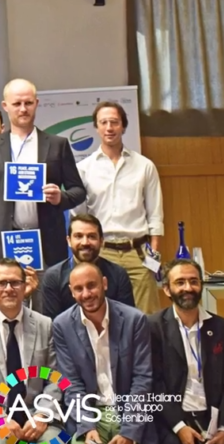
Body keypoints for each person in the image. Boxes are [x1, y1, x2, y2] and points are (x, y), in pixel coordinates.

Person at [0, 78, 86, 267]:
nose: (23, 109)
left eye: (28, 103)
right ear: (5, 106)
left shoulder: (57, 145)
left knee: (47, 286)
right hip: (3, 239)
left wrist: (60, 198)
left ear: (36, 103)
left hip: (47, 238)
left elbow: (79, 191)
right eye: (17, 104)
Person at [0, 259, 65, 444]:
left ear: (25, 286)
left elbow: (56, 378)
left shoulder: (45, 324)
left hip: (37, 414)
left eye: (15, 282)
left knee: (57, 442)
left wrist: (42, 414)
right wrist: (0, 418)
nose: (9, 289)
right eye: (1, 283)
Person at [75, 101, 165, 315]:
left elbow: (155, 215)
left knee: (147, 316)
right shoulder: (84, 168)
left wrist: (154, 254)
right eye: (103, 122)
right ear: (96, 127)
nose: (109, 128)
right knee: (102, 314)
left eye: (114, 122)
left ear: (123, 126)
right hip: (101, 252)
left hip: (138, 253)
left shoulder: (144, 166)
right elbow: (79, 217)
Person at [52, 262, 155, 444]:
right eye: (79, 288)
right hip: (90, 413)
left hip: (128, 412)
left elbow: (142, 379)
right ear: (71, 292)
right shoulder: (62, 325)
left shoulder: (134, 320)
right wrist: (87, 426)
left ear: (104, 284)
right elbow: (71, 384)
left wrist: (129, 432)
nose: (86, 294)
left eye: (91, 285)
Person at [149, 259, 224, 444]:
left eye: (193, 281)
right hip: (171, 423)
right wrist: (179, 426)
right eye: (180, 282)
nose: (188, 288)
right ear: (167, 289)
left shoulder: (221, 327)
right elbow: (153, 383)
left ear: (201, 285)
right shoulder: (152, 327)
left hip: (215, 421)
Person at [41, 214, 136, 319]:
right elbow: (53, 324)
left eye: (91, 236)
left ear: (101, 241)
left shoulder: (118, 274)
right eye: (78, 236)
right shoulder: (53, 277)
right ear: (69, 241)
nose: (85, 242)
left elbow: (127, 320)